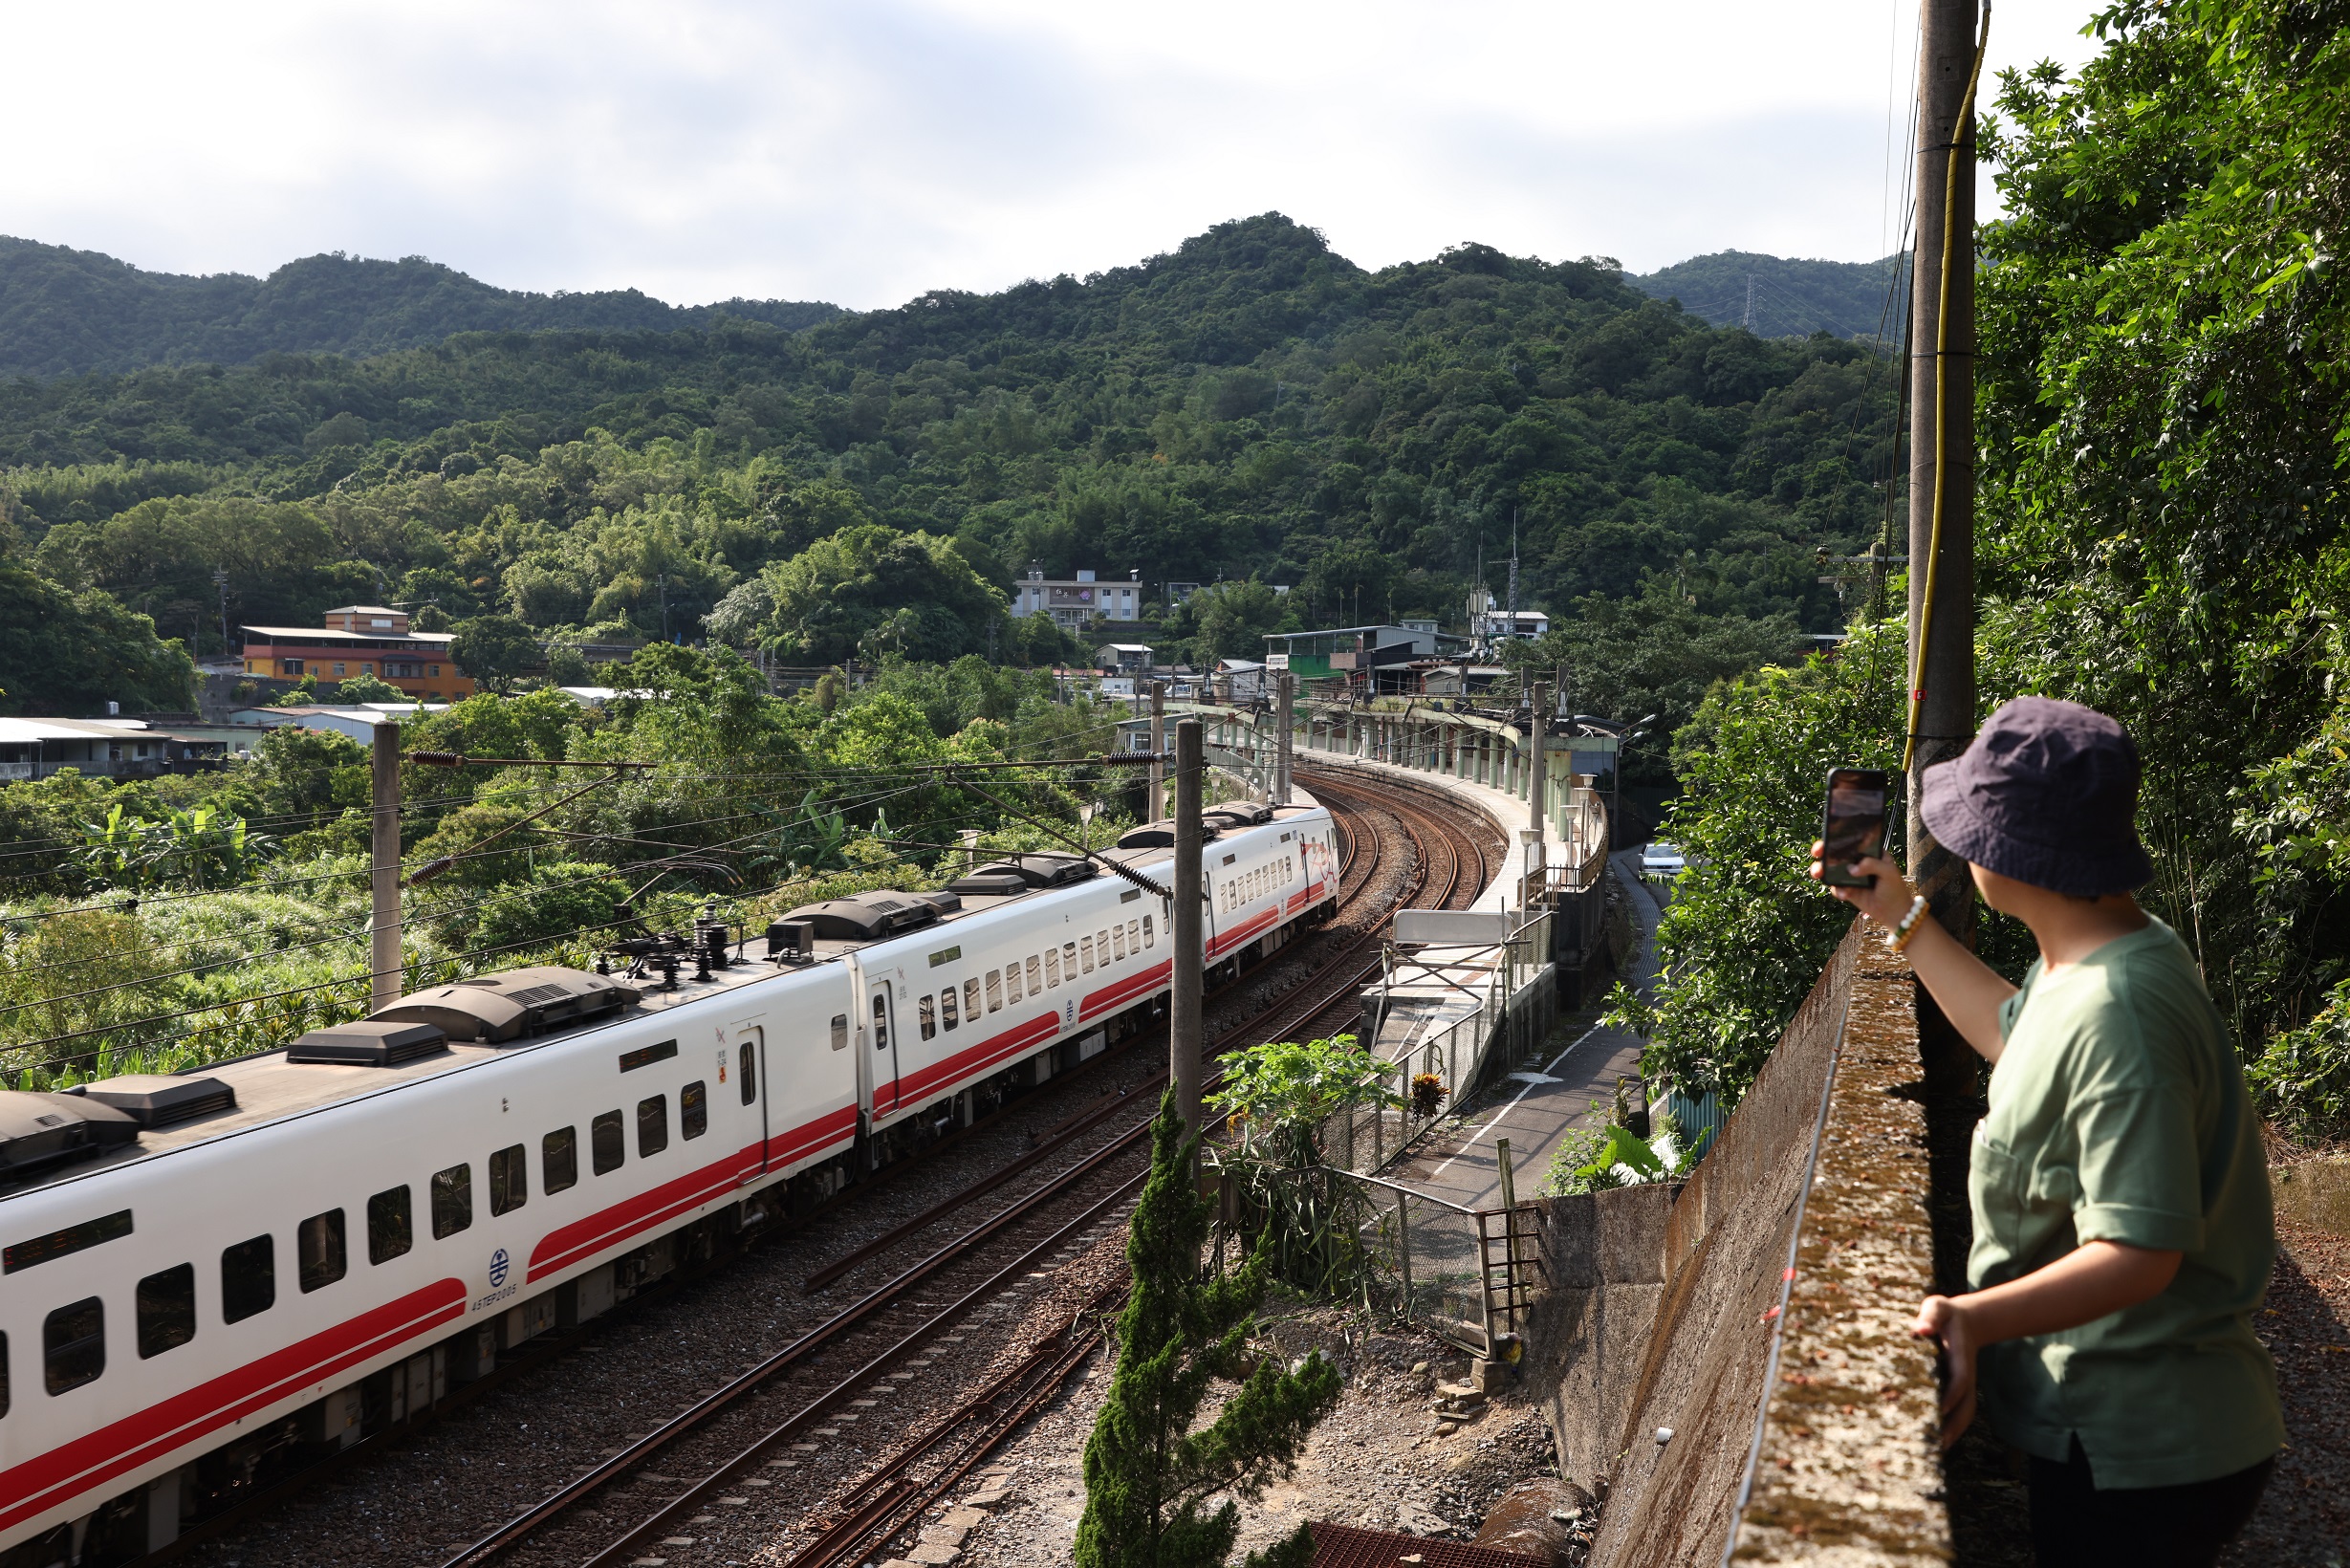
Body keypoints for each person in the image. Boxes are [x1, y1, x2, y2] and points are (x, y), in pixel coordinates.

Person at [1813, 696, 2280, 1566]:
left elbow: (2142, 1251)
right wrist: (1904, 921)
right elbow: (2016, 1038)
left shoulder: (2120, 1009)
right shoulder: (2103, 954)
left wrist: (1970, 1319)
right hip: (2121, 1427)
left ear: (2009, 852)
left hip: (2140, 1446)